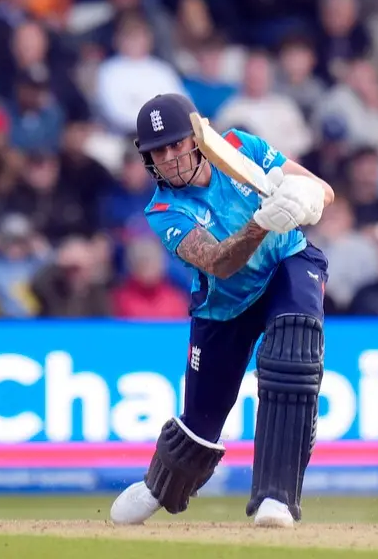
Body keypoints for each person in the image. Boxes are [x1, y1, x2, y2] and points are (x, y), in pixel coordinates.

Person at [109, 93, 334, 529]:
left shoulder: (241, 147)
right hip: (225, 303)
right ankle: (160, 485)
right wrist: (262, 222)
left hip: (288, 263)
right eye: (160, 151)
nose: (171, 158)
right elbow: (219, 263)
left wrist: (305, 198)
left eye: (177, 144)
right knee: (200, 426)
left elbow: (324, 190)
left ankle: (276, 497)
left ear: (198, 138)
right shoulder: (163, 209)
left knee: (293, 356)